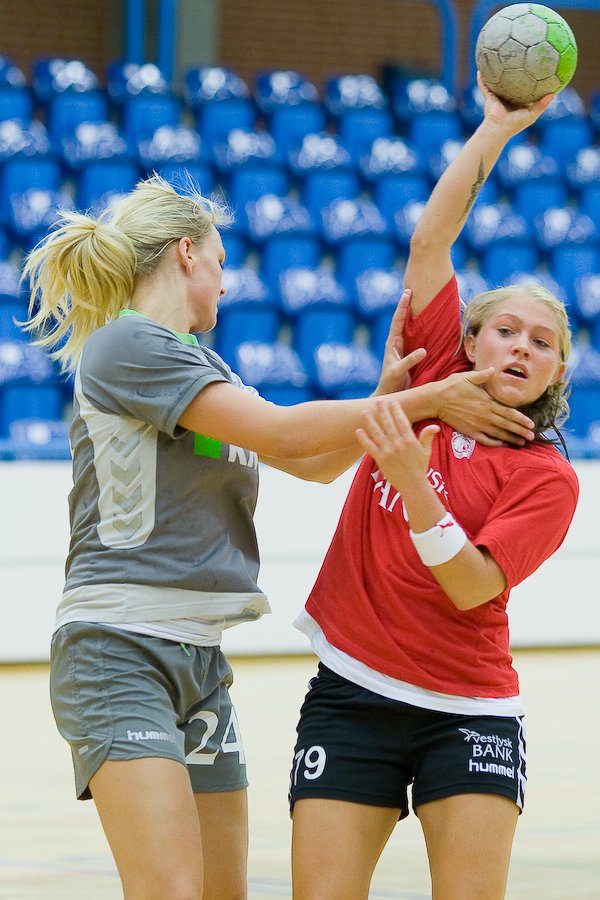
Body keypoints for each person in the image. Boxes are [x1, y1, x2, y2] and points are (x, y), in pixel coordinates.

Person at [24, 172, 536, 900]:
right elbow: (280, 429)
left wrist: (389, 399)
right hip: (118, 646)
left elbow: (313, 462)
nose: (227, 285)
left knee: (220, 891)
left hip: (198, 657)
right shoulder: (129, 346)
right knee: (169, 889)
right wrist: (430, 398)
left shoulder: (205, 366)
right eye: (224, 262)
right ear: (187, 254)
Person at [289, 77, 580, 900]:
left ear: (558, 371)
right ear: (471, 338)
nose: (521, 347)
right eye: (506, 330)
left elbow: (471, 586)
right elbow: (431, 240)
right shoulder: (431, 374)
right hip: (350, 695)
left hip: (470, 712)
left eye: (544, 343)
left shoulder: (545, 477)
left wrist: (416, 484)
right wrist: (494, 128)